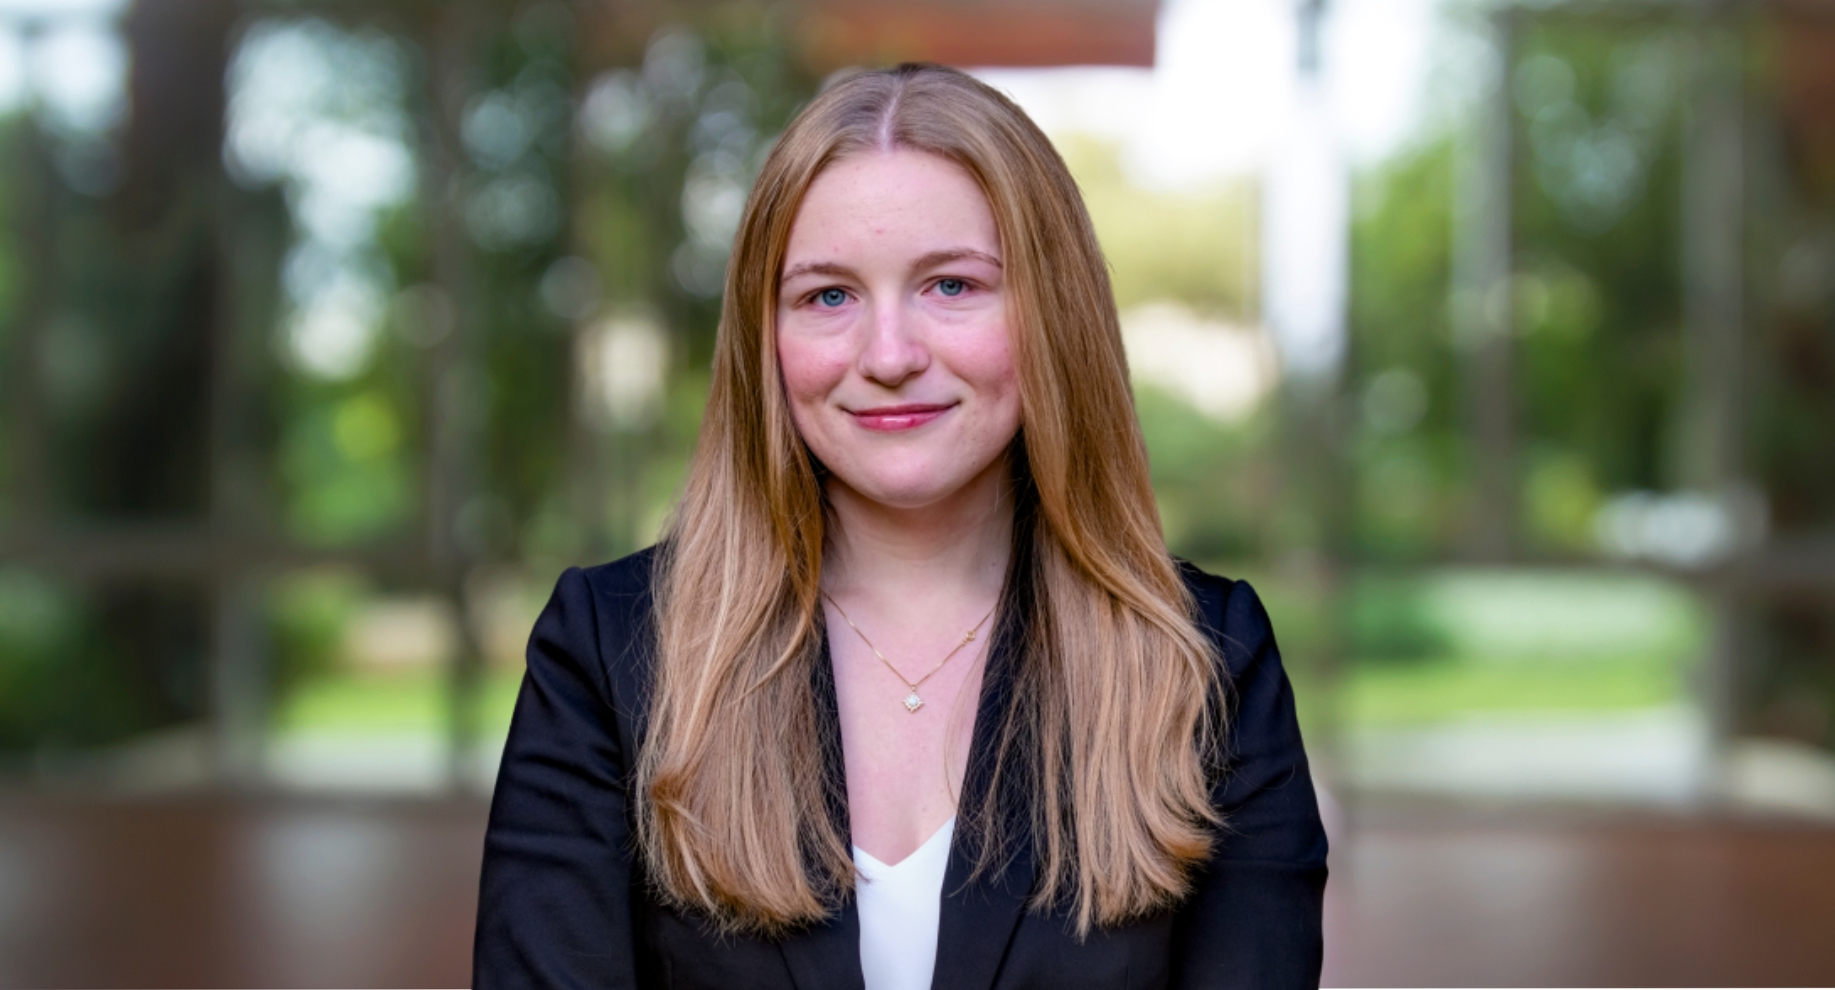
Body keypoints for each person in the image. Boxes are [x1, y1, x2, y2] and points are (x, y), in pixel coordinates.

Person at [474, 63, 1327, 990]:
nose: (888, 356)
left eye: (952, 286)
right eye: (827, 297)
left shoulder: (1206, 664)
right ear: (767, 339)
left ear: (1053, 312)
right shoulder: (609, 651)